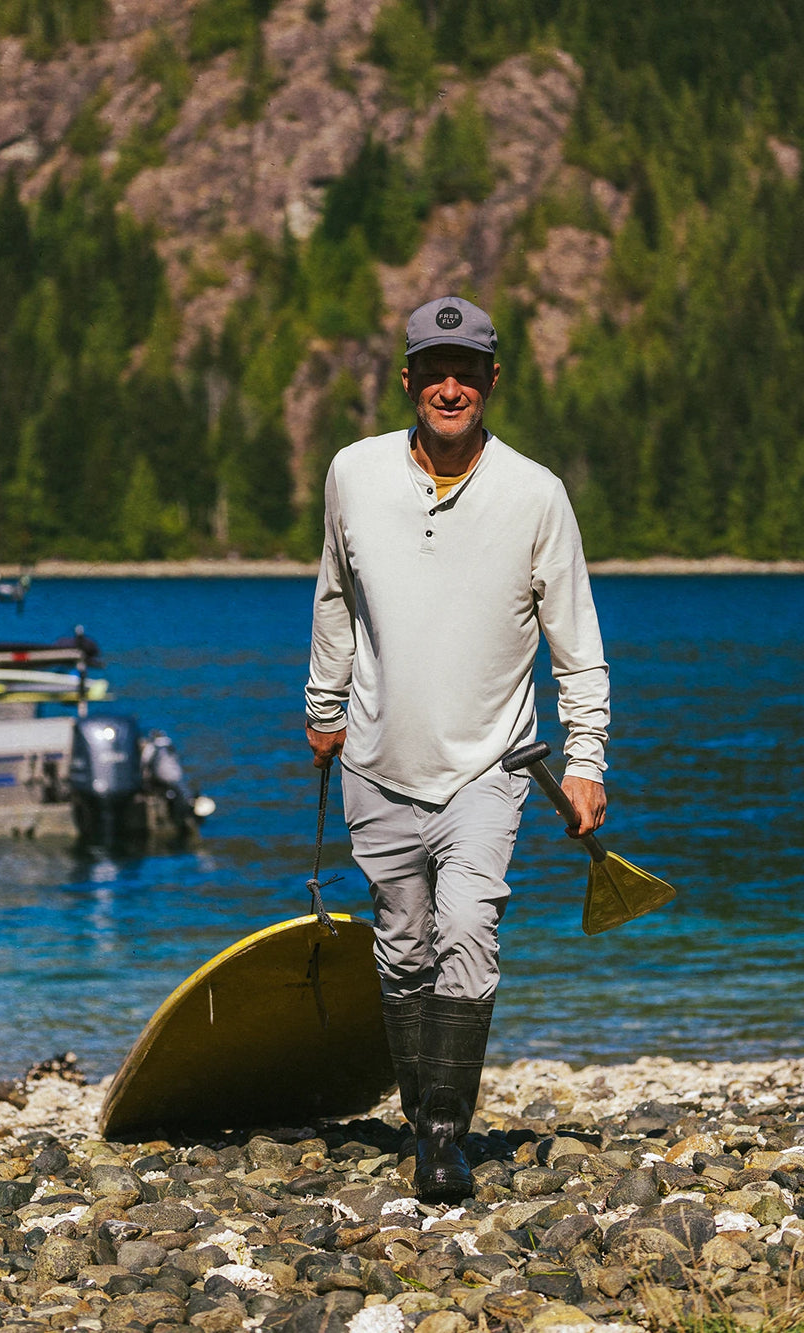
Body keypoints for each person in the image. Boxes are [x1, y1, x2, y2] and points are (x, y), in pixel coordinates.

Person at [304, 296, 610, 1203]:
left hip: (492, 766)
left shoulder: (535, 494)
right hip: (375, 757)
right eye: (434, 369)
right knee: (402, 945)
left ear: (491, 381)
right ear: (407, 379)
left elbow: (577, 642)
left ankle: (442, 1136)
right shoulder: (354, 474)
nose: (450, 386)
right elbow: (334, 597)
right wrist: (324, 703)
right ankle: (416, 1111)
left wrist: (587, 756)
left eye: (467, 371)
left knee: (468, 932)